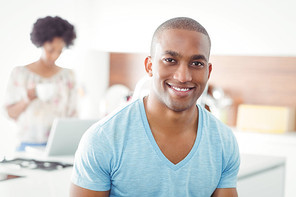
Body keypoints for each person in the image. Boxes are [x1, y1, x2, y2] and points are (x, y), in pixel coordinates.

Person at [70, 17, 240, 197]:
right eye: (170, 60)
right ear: (149, 66)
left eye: (197, 63)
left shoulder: (224, 141)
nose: (183, 76)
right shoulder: (102, 139)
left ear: (208, 71)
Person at [4, 16, 78, 151]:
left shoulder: (68, 77)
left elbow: (73, 116)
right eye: (50, 50)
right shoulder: (20, 74)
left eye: (59, 51)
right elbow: (10, 113)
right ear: (41, 44)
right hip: (26, 146)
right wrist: (27, 99)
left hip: (58, 147)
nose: (55, 56)